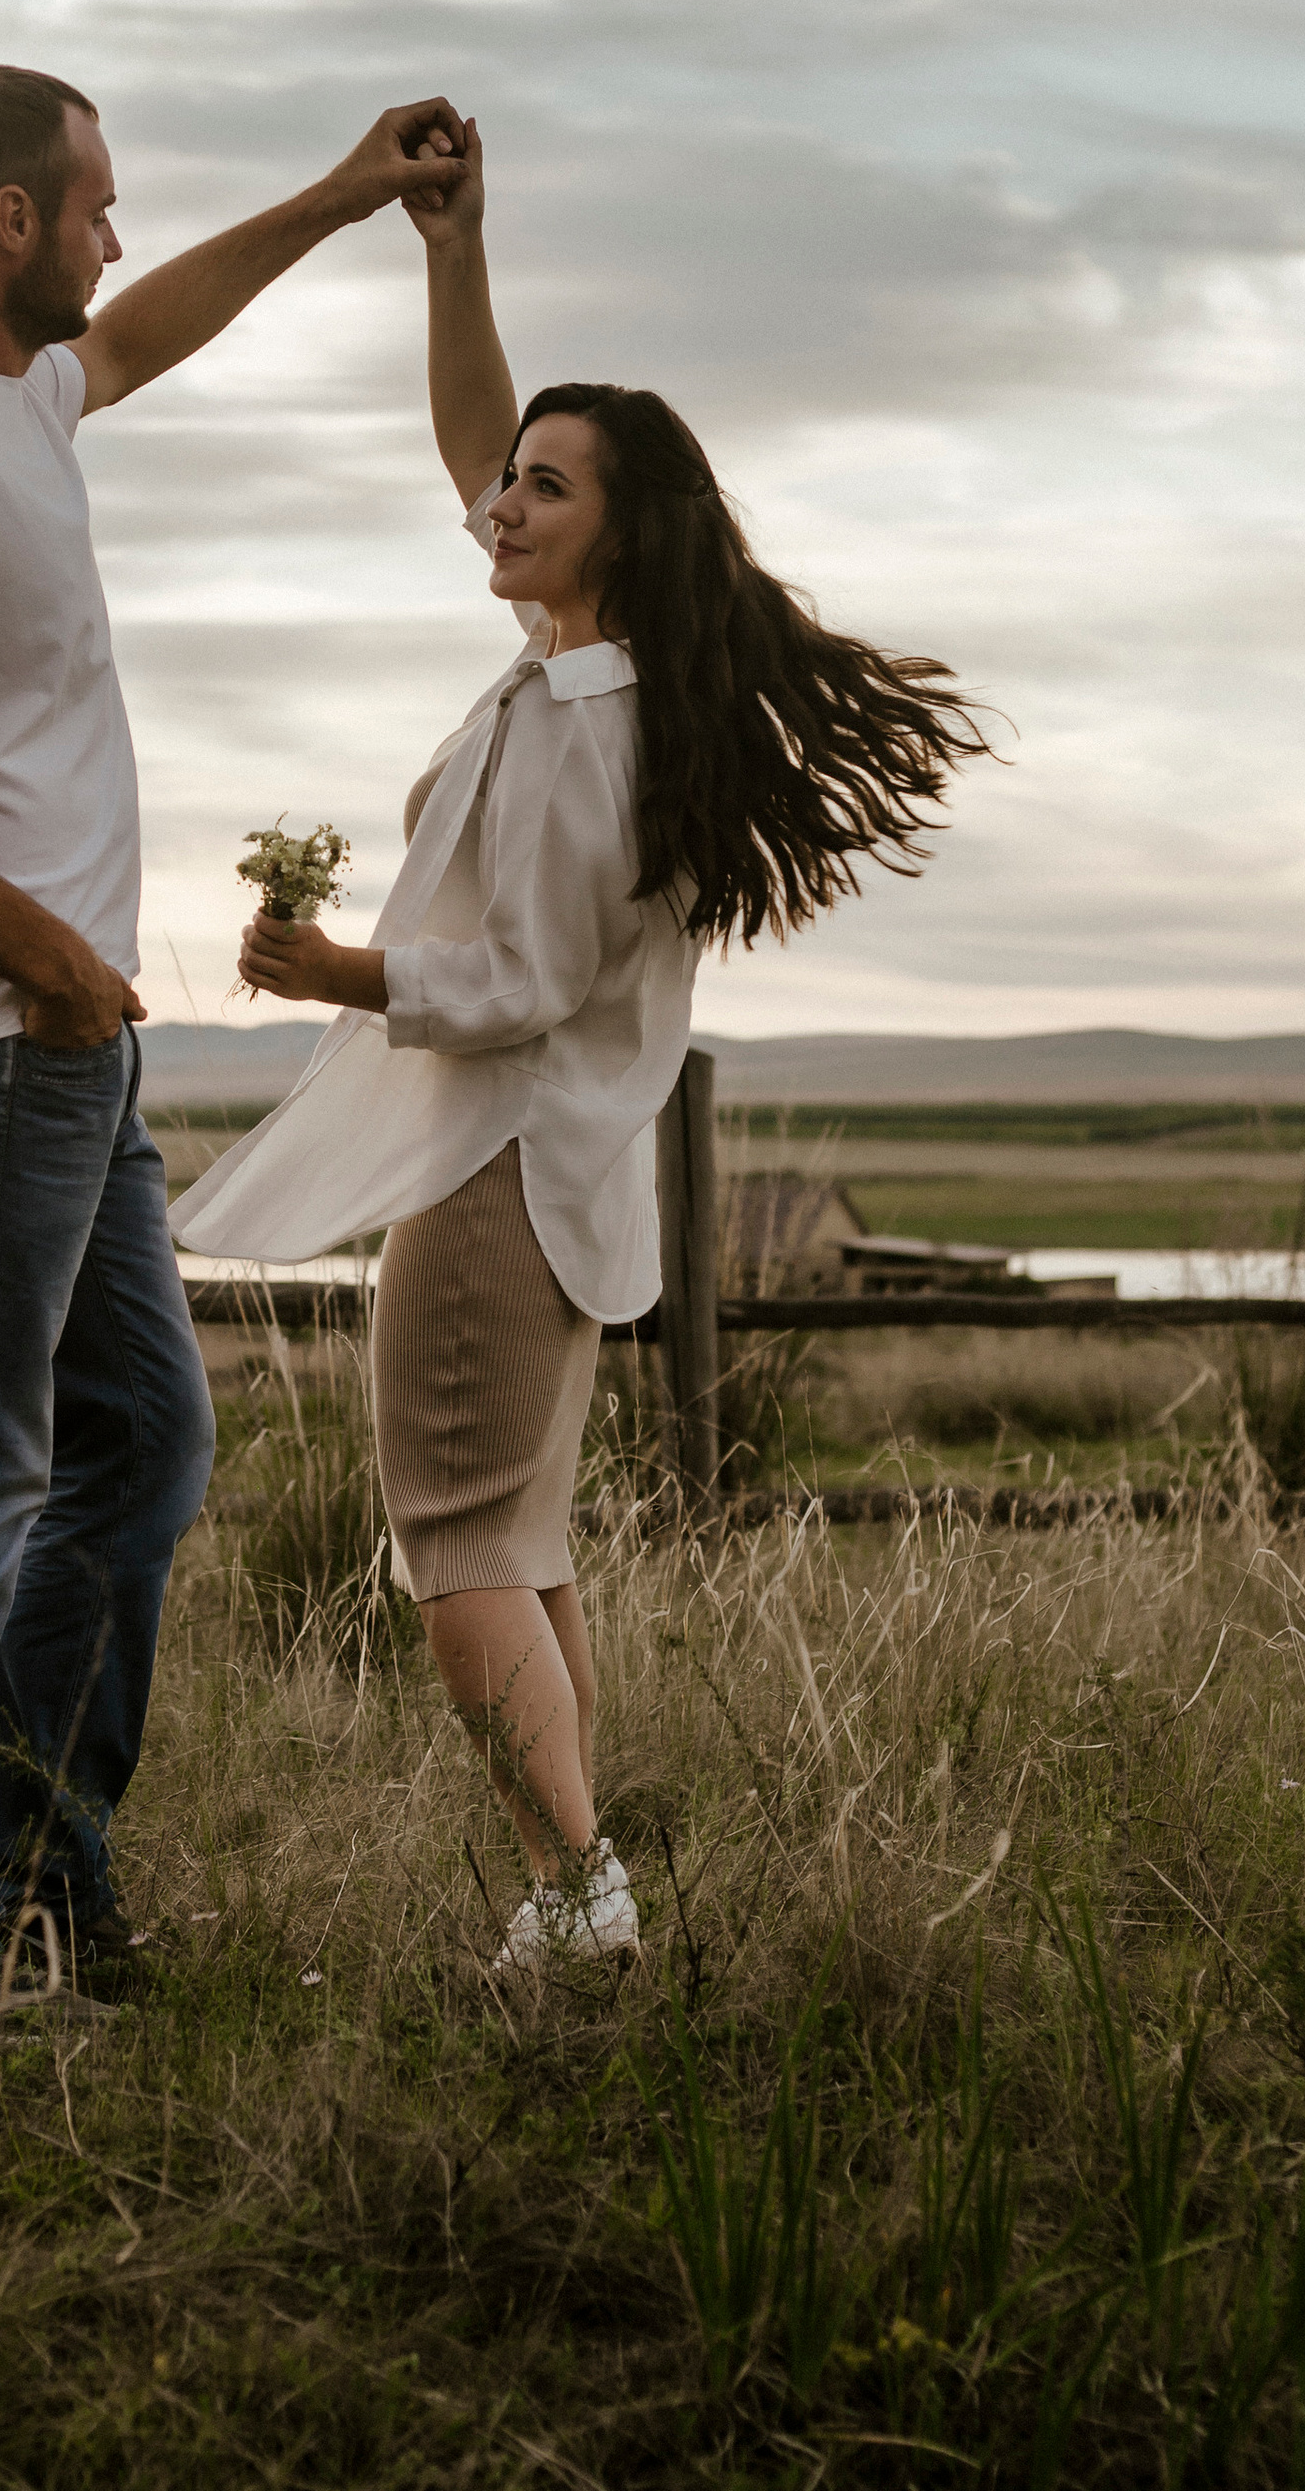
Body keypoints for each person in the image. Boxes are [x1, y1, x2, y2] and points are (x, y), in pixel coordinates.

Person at [176, 119, 988, 1974]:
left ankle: (579, 1893)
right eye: (510, 483)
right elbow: (477, 438)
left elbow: (525, 977)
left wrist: (343, 975)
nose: (504, 502)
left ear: (616, 530)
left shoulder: (581, 726)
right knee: (521, 1544)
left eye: (547, 489)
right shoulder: (584, 675)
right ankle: (576, 1896)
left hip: (491, 1172)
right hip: (552, 1178)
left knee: (451, 1547)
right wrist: (449, 248)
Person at [0, 62, 466, 1983]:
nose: (113, 235)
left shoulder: (16, 396)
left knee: (140, 1444)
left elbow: (147, 328)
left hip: (60, 1044)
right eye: (93, 204)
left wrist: (338, 200)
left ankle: (33, 1864)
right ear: (9, 221)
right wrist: (48, 961)